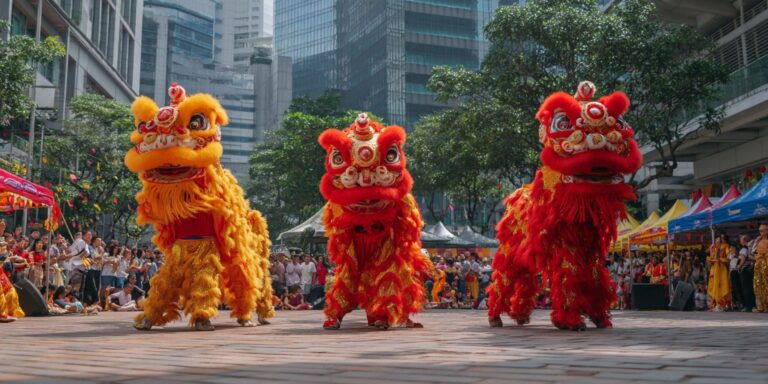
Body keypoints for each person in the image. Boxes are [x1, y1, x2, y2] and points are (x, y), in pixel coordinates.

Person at [707, 234, 731, 311]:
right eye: (716, 240)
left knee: (723, 286)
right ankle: (716, 305)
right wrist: (710, 258)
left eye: (719, 239)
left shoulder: (725, 246)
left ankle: (723, 305)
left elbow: (728, 258)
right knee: (714, 286)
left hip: (721, 269)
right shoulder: (713, 247)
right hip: (714, 269)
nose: (717, 241)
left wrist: (720, 259)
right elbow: (711, 258)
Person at [736, 234, 756, 312]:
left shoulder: (744, 248)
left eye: (741, 240)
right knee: (749, 288)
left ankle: (749, 306)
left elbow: (743, 259)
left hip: (745, 269)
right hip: (748, 269)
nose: (740, 241)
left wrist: (739, 266)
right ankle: (751, 305)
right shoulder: (749, 248)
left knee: (746, 288)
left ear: (744, 240)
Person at [753, 223, 768, 312]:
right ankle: (762, 306)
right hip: (759, 266)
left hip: (766, 265)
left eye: (763, 231)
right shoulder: (758, 241)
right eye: (760, 231)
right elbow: (753, 253)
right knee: (758, 285)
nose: (761, 233)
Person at [728, 244, 743, 310]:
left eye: (732, 248)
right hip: (731, 273)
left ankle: (741, 303)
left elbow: (734, 265)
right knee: (733, 289)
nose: (730, 249)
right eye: (730, 248)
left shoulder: (737, 256)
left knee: (737, 288)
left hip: (735, 273)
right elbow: (730, 266)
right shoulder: (730, 256)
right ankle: (735, 304)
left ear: (735, 249)